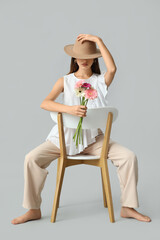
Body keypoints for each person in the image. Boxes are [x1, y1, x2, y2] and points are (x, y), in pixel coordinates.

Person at [11, 34, 151, 224]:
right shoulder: (65, 81)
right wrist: (69, 109)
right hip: (63, 139)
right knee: (31, 159)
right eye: (80, 56)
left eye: (89, 56)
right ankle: (33, 209)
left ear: (95, 58)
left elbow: (113, 68)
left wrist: (99, 41)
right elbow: (45, 103)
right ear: (74, 58)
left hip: (94, 140)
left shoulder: (100, 82)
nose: (84, 60)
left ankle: (128, 207)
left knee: (128, 156)